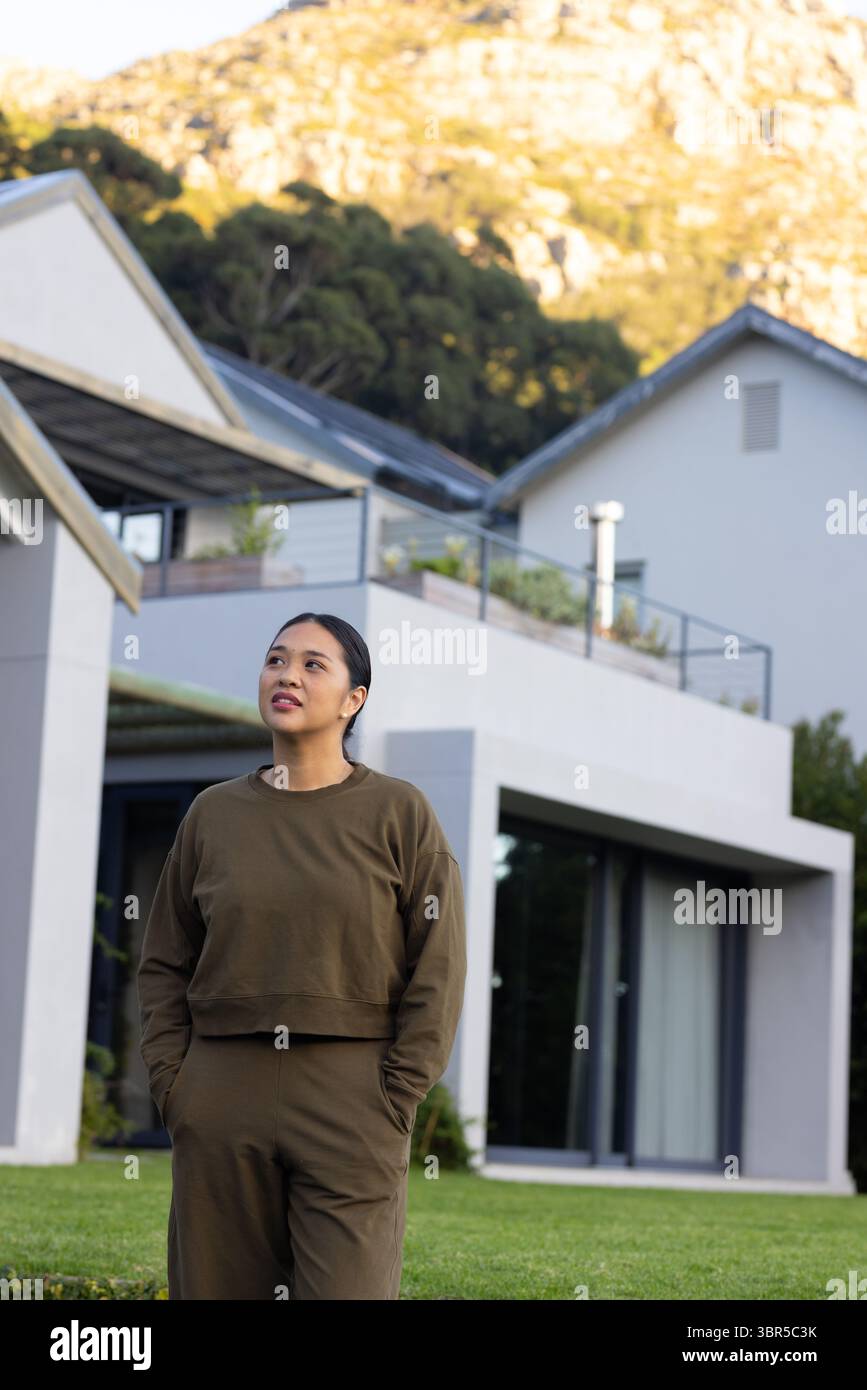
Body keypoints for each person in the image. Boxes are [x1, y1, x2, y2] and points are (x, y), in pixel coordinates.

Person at [137, 611, 467, 1300]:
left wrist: (397, 1093)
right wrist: (176, 1085)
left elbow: (438, 965)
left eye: (313, 664)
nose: (287, 674)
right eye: (275, 659)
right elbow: (166, 961)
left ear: (354, 699)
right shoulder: (212, 815)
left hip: (354, 1093)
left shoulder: (399, 814)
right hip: (220, 1089)